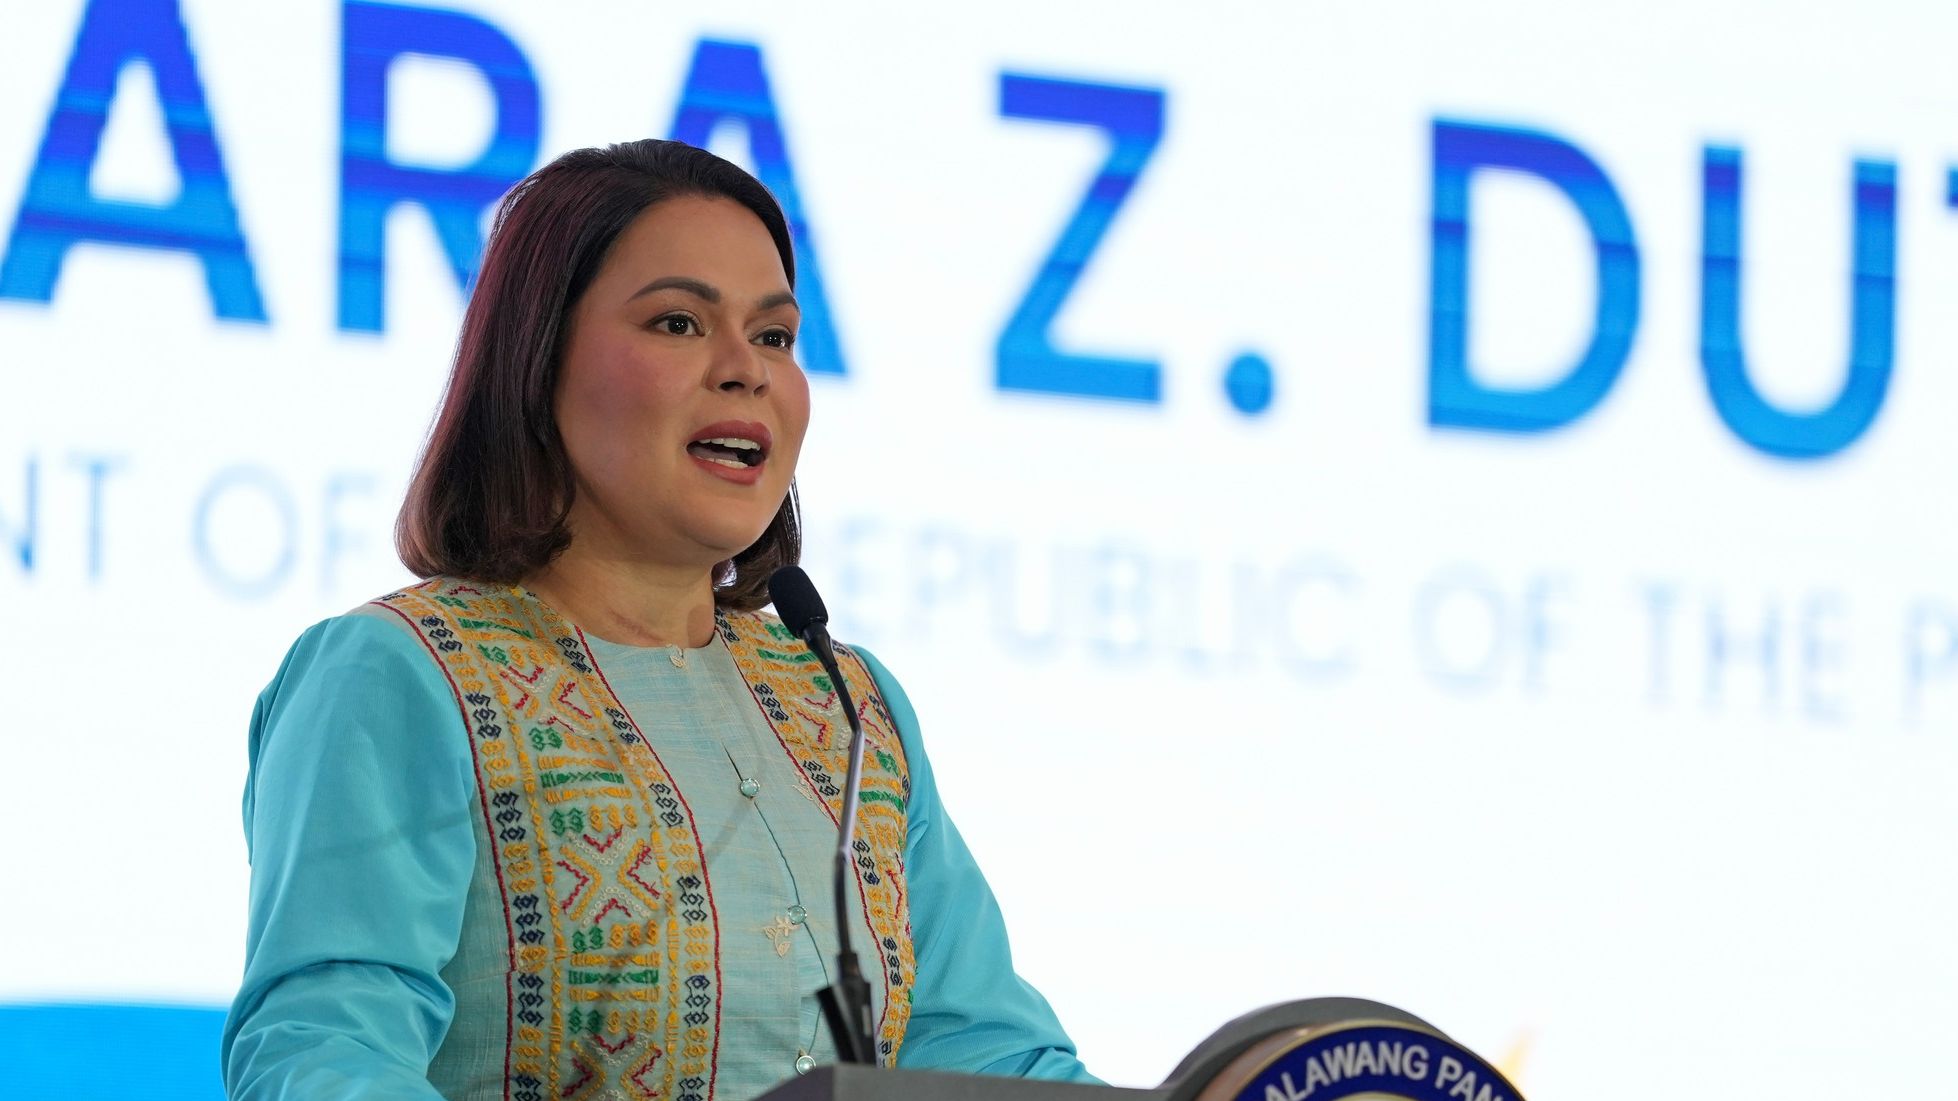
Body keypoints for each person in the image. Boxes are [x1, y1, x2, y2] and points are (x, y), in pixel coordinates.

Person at [222, 139, 1099, 1100]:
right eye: (679, 322)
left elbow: (988, 1054)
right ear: (537, 363)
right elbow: (325, 1053)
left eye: (775, 336)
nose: (746, 370)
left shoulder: (851, 705)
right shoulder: (400, 673)